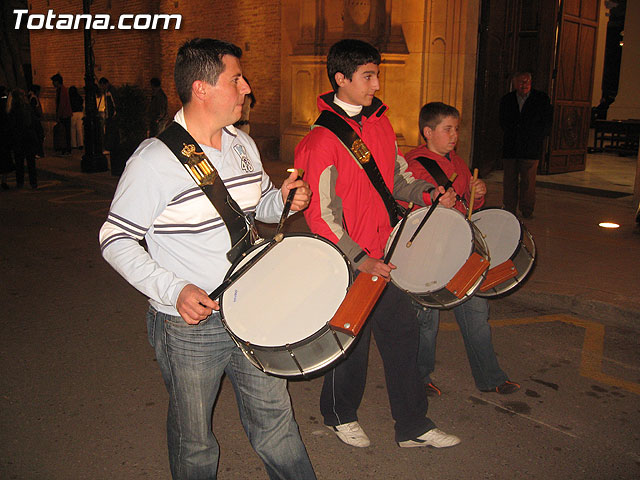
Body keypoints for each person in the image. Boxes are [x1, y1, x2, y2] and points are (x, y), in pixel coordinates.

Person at [99, 38, 316, 480]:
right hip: (190, 325)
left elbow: (258, 208)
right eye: (236, 79)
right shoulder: (154, 160)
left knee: (276, 426)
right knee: (194, 441)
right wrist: (173, 289)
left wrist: (286, 202)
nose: (247, 87)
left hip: (254, 309)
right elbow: (114, 238)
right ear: (201, 88)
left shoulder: (242, 145)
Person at [294, 39, 461, 450]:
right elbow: (321, 216)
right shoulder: (320, 141)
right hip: (350, 258)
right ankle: (339, 414)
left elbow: (398, 179)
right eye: (368, 76)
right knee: (352, 341)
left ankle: (412, 426)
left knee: (403, 335)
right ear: (341, 79)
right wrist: (359, 258)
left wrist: (428, 194)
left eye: (376, 74)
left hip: (386, 250)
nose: (376, 83)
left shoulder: (381, 123)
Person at [404, 102, 520, 396]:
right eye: (448, 129)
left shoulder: (457, 162)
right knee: (426, 322)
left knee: (477, 313)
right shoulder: (413, 164)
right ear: (428, 132)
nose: (454, 135)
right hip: (427, 255)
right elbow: (405, 206)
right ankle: (418, 379)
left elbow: (468, 208)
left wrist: (477, 195)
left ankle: (490, 377)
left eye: (456, 129)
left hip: (460, 251)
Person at [499, 72, 552, 218]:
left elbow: (547, 122)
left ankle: (527, 209)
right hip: (511, 146)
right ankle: (509, 208)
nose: (524, 85)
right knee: (509, 180)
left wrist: (537, 137)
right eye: (521, 82)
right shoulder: (507, 99)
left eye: (527, 81)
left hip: (531, 147)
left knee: (528, 181)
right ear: (515, 83)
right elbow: (503, 121)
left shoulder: (541, 99)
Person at [7, 89, 39, 189]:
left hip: (19, 137)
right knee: (31, 162)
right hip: (29, 137)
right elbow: (34, 122)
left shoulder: (14, 109)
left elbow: (12, 125)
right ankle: (33, 182)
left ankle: (20, 182)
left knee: (19, 162)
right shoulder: (28, 107)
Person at [51, 73, 72, 154]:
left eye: (54, 82)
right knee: (65, 132)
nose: (53, 83)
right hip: (65, 114)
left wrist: (58, 115)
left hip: (64, 114)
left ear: (57, 82)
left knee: (65, 132)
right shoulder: (61, 90)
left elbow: (62, 104)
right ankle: (66, 148)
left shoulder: (62, 90)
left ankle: (66, 148)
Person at [97, 77, 117, 151]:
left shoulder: (111, 91)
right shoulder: (106, 92)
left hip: (111, 116)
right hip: (108, 115)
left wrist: (114, 114)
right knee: (108, 131)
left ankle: (111, 146)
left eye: (102, 86)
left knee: (111, 132)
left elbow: (114, 103)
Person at [0, 86, 14, 189]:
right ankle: (3, 182)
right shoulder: (5, 107)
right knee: (4, 162)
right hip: (4, 139)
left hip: (4, 138)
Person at [28, 85, 45, 157]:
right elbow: (34, 109)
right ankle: (38, 152)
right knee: (39, 136)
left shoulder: (31, 97)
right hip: (35, 119)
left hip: (34, 119)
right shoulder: (33, 98)